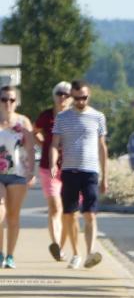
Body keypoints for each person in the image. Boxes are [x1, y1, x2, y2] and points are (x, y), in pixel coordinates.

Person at [50, 80, 107, 270]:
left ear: (89, 95)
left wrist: (105, 176)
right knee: (70, 214)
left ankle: (90, 252)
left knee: (90, 214)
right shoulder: (63, 117)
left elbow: (101, 147)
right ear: (71, 96)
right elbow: (54, 143)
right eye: (77, 98)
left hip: (90, 170)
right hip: (69, 171)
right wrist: (52, 163)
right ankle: (75, 253)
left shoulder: (98, 117)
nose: (81, 101)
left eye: (84, 97)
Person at [34, 81, 72, 261]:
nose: (62, 97)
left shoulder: (76, 116)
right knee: (55, 205)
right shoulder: (47, 116)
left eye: (66, 94)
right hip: (48, 166)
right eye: (59, 93)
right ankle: (56, 244)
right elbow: (35, 132)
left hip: (72, 167)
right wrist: (44, 145)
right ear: (54, 95)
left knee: (68, 211)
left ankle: (61, 248)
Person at [0, 85, 36, 269]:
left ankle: (10, 255)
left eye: (11, 100)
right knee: (0, 212)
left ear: (16, 102)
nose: (7, 103)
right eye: (4, 99)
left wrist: (32, 171)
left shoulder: (23, 122)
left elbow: (30, 148)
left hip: (18, 173)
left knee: (13, 216)